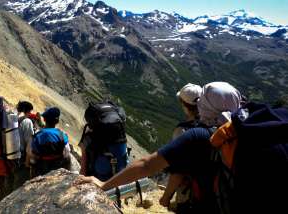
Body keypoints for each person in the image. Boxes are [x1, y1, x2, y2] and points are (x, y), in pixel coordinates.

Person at [76, 82, 242, 214]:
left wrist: (104, 185)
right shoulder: (246, 129)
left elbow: (147, 165)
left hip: (207, 203)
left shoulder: (197, 135)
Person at [160, 83, 202, 211]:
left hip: (190, 193)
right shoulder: (216, 122)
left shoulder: (183, 131)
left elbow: (178, 170)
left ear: (184, 105)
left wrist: (167, 196)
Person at [79, 101, 128, 181]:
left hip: (98, 179)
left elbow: (83, 169)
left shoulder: (88, 139)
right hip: (119, 177)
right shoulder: (120, 135)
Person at [28, 107, 71, 177]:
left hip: (40, 171)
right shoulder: (62, 135)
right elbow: (67, 153)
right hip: (57, 170)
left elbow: (32, 155)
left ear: (44, 119)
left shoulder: (37, 135)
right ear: (57, 121)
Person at [15, 101, 35, 186]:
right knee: (20, 185)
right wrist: (27, 163)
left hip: (12, 157)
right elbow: (29, 144)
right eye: (30, 111)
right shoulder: (27, 122)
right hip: (22, 158)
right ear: (28, 111)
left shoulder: (16, 120)